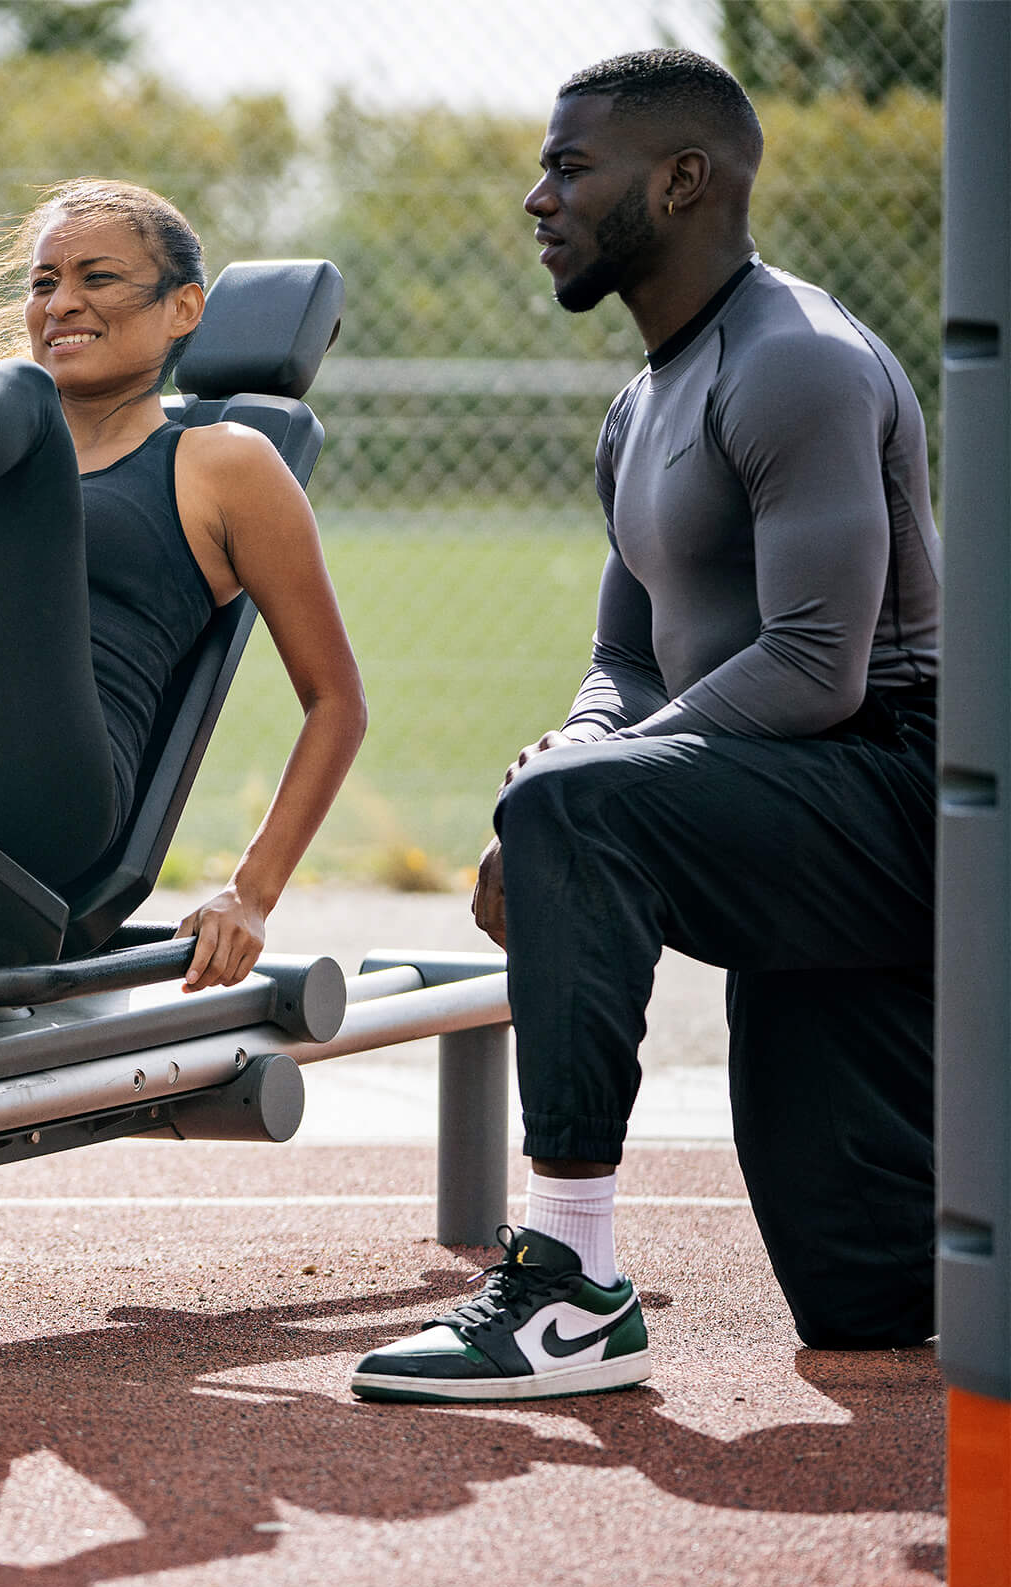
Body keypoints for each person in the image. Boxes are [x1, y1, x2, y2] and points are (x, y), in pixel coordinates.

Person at [351, 50, 940, 1405]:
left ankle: (568, 1292)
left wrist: (582, 793)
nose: (536, 198)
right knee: (870, 1297)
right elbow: (622, 658)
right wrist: (573, 749)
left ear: (681, 183)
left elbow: (815, 666)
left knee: (577, 807)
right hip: (786, 804)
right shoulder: (642, 404)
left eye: (570, 167)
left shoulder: (795, 361)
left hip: (899, 801)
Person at [0, 178, 365, 992]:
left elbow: (337, 702)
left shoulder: (224, 462)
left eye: (97, 277)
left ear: (183, 308)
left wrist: (250, 894)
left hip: (43, 803)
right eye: (44, 282)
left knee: (21, 397)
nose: (62, 303)